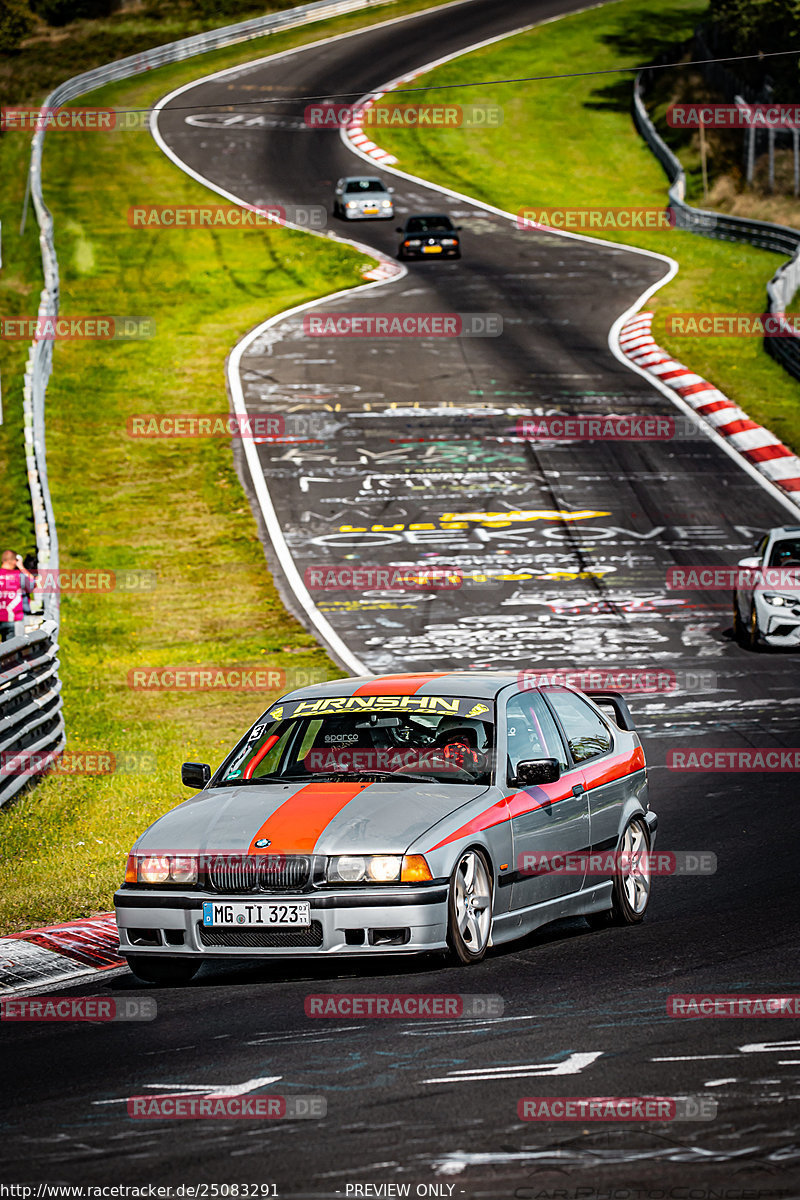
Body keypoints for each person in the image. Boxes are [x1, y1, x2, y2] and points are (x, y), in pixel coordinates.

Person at [0, 551, 35, 642]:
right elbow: (32, 584)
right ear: (15, 561)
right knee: (12, 650)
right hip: (13, 618)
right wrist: (21, 567)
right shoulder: (18, 576)